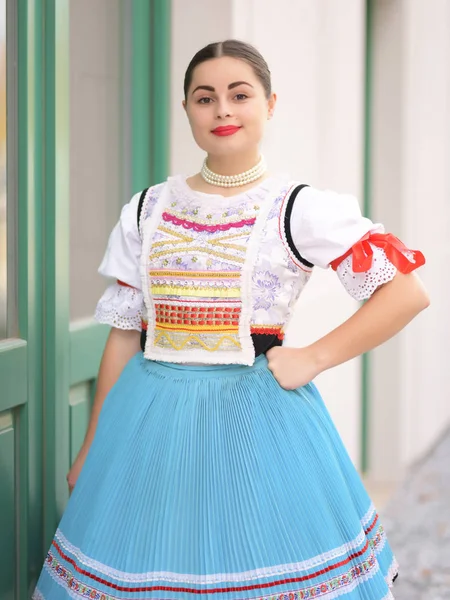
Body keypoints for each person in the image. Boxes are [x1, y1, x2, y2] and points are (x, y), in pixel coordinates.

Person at [33, 39, 429, 600]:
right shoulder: (147, 208)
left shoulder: (300, 207)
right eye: (204, 97)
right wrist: (93, 444)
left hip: (258, 422)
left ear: (269, 104)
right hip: (148, 422)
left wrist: (312, 357)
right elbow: (124, 335)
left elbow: (405, 293)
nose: (222, 110)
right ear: (188, 110)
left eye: (239, 95)